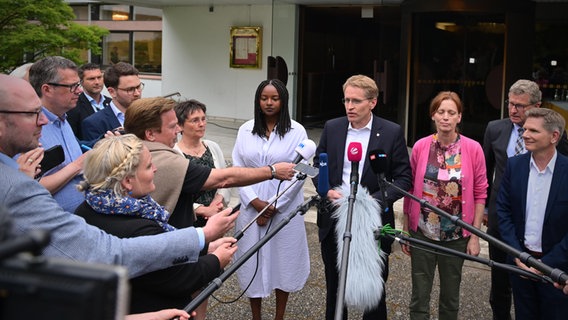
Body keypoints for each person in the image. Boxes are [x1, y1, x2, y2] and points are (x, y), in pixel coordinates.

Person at [0, 74, 237, 278]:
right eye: (32, 113)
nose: (43, 120)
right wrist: (203, 237)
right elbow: (106, 253)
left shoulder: (22, 180)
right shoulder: (16, 187)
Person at [75, 134, 237, 314]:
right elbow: (178, 278)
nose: (155, 169)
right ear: (128, 181)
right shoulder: (139, 227)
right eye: (148, 166)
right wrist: (217, 260)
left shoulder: (85, 209)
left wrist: (205, 248)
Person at [313, 74, 412, 320]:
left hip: (373, 223)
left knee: (373, 294)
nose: (349, 106)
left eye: (356, 101)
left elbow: (403, 179)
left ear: (373, 102)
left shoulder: (390, 132)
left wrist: (371, 201)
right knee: (335, 291)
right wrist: (325, 190)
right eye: (346, 100)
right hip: (335, 218)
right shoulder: (332, 127)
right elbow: (318, 165)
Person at [123, 96, 297, 229]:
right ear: (150, 134)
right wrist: (272, 171)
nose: (177, 130)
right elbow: (224, 179)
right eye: (172, 126)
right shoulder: (168, 160)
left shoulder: (124, 150)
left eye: (203, 119)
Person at [483, 79, 568, 320]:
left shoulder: (560, 151)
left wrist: (546, 262)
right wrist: (519, 255)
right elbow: (488, 176)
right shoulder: (501, 140)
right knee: (504, 287)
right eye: (510, 104)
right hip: (510, 235)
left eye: (520, 106)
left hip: (554, 256)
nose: (513, 111)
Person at [402, 91, 487, 320]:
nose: (446, 117)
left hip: (457, 236)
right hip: (422, 233)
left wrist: (475, 236)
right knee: (419, 295)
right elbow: (409, 189)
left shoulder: (473, 148)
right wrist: (405, 228)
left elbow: (480, 193)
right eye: (441, 112)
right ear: (433, 115)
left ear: (459, 117)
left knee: (450, 297)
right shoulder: (420, 146)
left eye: (451, 112)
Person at [231, 79, 309, 320]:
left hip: (283, 207)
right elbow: (237, 166)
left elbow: (300, 172)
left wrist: (275, 206)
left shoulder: (297, 131)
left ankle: (279, 316)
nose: (269, 102)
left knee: (282, 261)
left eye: (274, 98)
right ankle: (256, 315)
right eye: (264, 98)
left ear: (283, 101)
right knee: (250, 260)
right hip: (250, 205)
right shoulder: (245, 129)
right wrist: (255, 202)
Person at [28, 56, 87, 213]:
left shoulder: (63, 118)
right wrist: (77, 166)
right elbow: (27, 190)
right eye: (72, 86)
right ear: (47, 89)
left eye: (78, 84)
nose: (80, 90)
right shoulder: (27, 129)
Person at [173, 99, 231, 227]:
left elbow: (224, 178)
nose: (201, 124)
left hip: (214, 216)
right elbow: (173, 194)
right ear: (180, 126)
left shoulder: (213, 147)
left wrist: (217, 202)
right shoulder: (174, 153)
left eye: (203, 119)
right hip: (187, 221)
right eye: (195, 120)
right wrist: (203, 210)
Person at [82, 62, 143, 143]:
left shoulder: (150, 116)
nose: (137, 93)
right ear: (112, 92)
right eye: (130, 89)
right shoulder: (94, 123)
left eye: (138, 87)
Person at [67, 63, 112, 141]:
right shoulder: (74, 106)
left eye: (99, 77)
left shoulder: (111, 103)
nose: (97, 82)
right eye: (91, 79)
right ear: (81, 82)